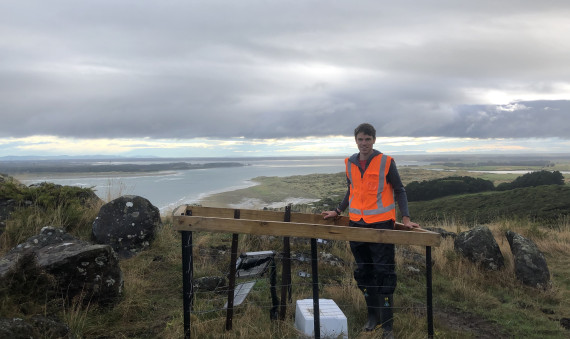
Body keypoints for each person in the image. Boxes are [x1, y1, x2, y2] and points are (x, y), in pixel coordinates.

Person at [322, 123, 419, 338]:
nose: (364, 143)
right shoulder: (349, 162)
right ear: (355, 140)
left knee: (384, 274)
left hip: (381, 226)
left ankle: (387, 326)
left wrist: (406, 218)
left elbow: (400, 190)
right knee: (364, 272)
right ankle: (372, 317)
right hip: (356, 225)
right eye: (360, 139)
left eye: (368, 139)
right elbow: (352, 191)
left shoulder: (386, 162)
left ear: (374, 140)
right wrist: (338, 210)